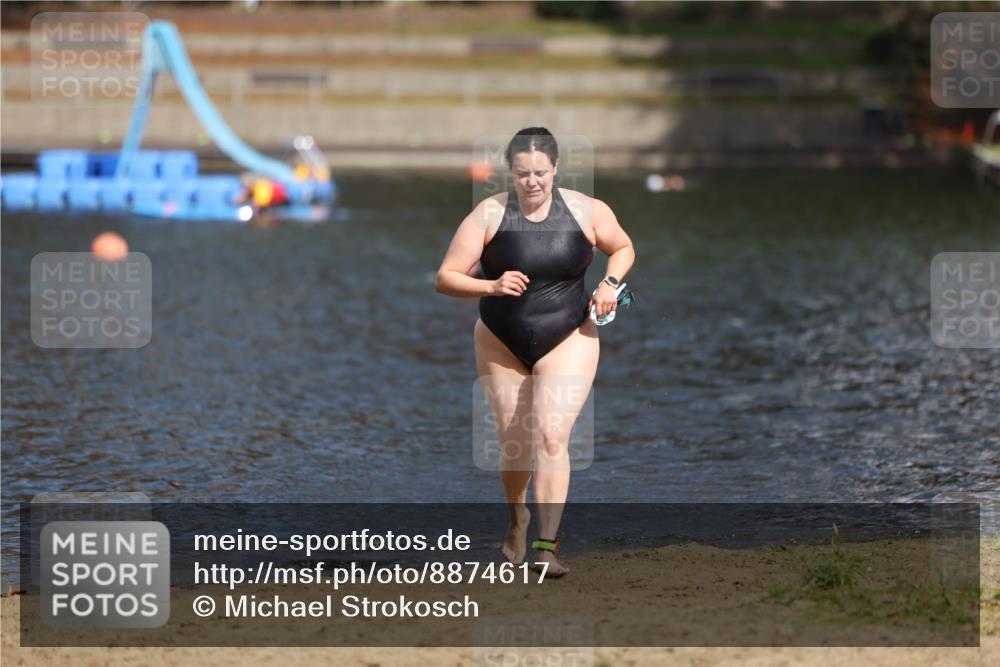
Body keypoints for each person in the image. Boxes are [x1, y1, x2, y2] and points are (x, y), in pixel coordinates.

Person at [435, 128, 636, 577]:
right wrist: (491, 285)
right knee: (516, 443)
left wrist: (609, 283)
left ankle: (547, 548)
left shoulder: (587, 210)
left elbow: (623, 247)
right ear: (511, 172)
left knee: (550, 437)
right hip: (499, 339)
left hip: (570, 336)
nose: (532, 182)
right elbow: (446, 278)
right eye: (523, 173)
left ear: (556, 168)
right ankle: (517, 518)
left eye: (541, 173)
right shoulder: (489, 214)